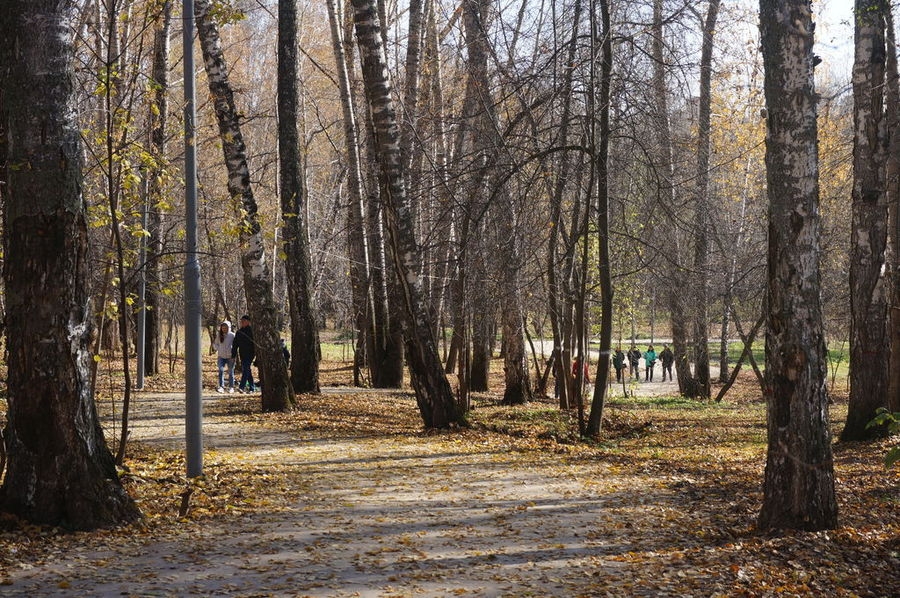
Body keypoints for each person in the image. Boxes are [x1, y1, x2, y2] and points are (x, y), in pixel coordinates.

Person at [232, 315, 256, 393]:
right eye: (241, 321)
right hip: (242, 354)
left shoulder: (252, 331)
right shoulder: (239, 332)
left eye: (244, 321)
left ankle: (242, 386)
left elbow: (255, 344)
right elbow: (235, 344)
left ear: (248, 322)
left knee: (245, 369)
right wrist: (233, 354)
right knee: (247, 370)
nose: (242, 322)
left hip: (250, 354)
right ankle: (252, 388)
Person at [212, 320, 235, 393]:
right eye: (223, 327)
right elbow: (215, 344)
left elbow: (236, 345)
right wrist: (218, 349)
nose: (224, 329)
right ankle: (221, 386)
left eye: (226, 327)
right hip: (221, 356)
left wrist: (233, 352)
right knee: (221, 370)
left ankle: (231, 387)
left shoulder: (232, 335)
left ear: (229, 327)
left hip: (230, 357)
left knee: (230, 372)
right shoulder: (219, 335)